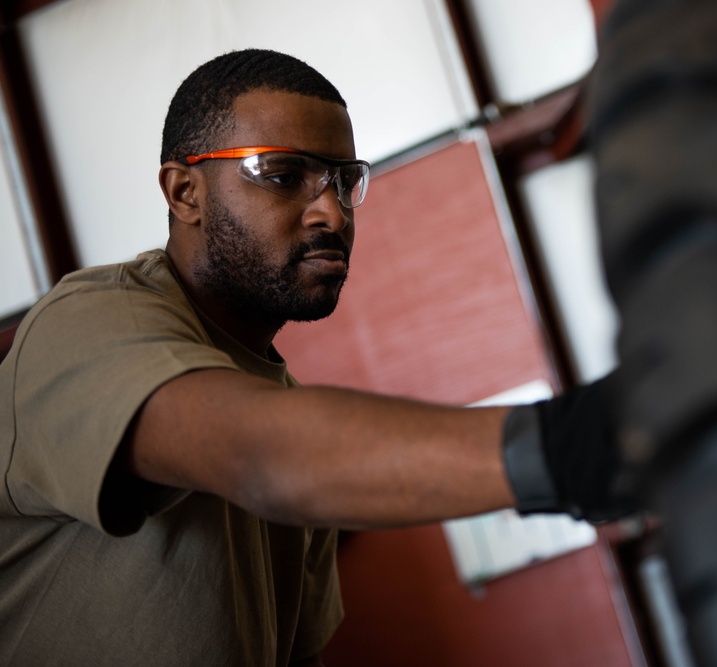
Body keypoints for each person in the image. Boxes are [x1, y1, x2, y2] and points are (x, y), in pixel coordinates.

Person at [0, 49, 627, 666]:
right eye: (282, 174)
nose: (332, 211)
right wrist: (566, 448)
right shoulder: (84, 322)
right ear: (185, 192)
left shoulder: (299, 424)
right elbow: (261, 456)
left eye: (344, 181)